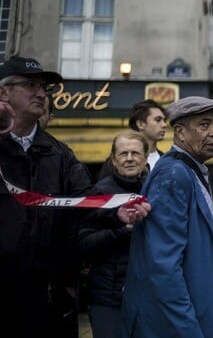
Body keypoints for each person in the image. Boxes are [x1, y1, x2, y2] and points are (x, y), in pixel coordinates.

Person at [0, 56, 150, 337]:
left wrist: (114, 211)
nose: (42, 93)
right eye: (31, 84)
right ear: (3, 92)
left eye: (44, 87)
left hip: (49, 299)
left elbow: (88, 202)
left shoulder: (61, 155)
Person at [121, 96, 213, 338]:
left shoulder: (189, 170)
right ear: (179, 132)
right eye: (204, 125)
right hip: (173, 325)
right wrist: (188, 330)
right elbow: (163, 266)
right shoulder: (174, 174)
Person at [79, 130, 149, 338]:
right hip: (108, 300)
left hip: (149, 297)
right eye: (123, 154)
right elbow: (84, 244)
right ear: (113, 160)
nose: (129, 159)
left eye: (135, 153)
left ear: (145, 158)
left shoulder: (156, 190)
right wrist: (122, 232)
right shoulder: (99, 194)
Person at [98, 99, 166, 178]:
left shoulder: (166, 160)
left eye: (164, 120)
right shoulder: (114, 162)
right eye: (158, 120)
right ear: (140, 124)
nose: (164, 124)